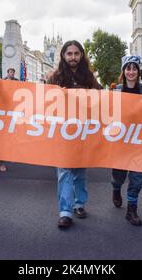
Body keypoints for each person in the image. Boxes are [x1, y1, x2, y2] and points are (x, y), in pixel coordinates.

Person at [47, 40, 101, 229]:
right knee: (64, 172)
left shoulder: (89, 77)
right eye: (69, 54)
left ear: (81, 55)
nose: (72, 57)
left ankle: (79, 204)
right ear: (63, 55)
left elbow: (101, 98)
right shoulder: (55, 77)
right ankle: (65, 212)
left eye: (76, 53)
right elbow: (44, 103)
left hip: (83, 132)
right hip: (62, 133)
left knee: (80, 172)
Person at [111, 56, 142, 227]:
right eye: (128, 68)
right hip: (120, 141)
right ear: (123, 71)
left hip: (139, 142)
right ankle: (116, 189)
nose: (131, 72)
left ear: (138, 71)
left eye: (134, 68)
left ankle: (132, 209)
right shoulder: (116, 90)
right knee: (119, 175)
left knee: (137, 178)